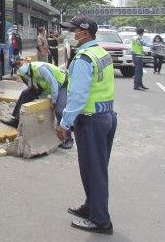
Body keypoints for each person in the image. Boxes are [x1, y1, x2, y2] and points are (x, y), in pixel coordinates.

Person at [56, 15, 116, 235]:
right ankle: (91, 207)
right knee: (96, 169)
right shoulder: (101, 53)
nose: (71, 35)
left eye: (73, 31)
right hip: (106, 115)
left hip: (91, 119)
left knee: (93, 171)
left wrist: (64, 124)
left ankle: (101, 221)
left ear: (84, 33)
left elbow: (77, 96)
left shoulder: (83, 59)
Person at [0, 60, 74, 149]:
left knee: (59, 110)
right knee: (25, 94)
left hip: (62, 85)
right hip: (49, 88)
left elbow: (53, 84)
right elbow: (36, 88)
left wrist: (53, 101)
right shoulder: (30, 73)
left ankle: (68, 139)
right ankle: (16, 120)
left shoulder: (41, 69)